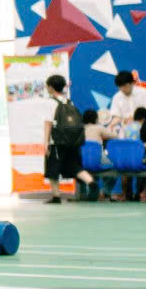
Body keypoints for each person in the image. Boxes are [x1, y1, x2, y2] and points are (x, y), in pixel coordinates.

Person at [41, 74, 92, 203]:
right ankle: (91, 182)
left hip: (57, 141)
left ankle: (56, 196)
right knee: (73, 166)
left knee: (53, 168)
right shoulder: (69, 102)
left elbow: (48, 123)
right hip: (72, 142)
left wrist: (46, 142)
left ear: (51, 88)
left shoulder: (50, 102)